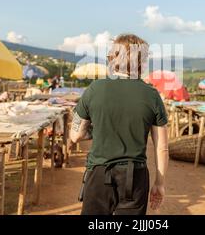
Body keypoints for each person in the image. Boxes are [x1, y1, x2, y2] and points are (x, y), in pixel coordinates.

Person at [70, 34, 169, 215]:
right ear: (142, 62)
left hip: (98, 174)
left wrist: (97, 129)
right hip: (134, 176)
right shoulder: (152, 95)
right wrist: (160, 183)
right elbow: (162, 147)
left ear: (113, 58)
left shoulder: (94, 89)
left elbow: (75, 135)